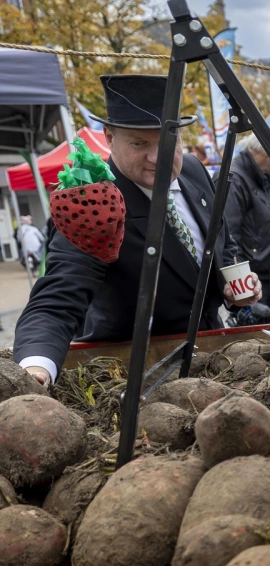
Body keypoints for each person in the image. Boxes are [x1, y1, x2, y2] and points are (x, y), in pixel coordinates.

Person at [14, 74, 257, 386]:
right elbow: (58, 298)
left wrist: (232, 283)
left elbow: (221, 235)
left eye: (169, 141)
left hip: (212, 352)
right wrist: (36, 369)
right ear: (110, 138)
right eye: (140, 143)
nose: (158, 158)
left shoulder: (194, 171)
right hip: (134, 370)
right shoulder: (92, 201)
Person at [226, 131, 270, 323]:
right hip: (254, 283)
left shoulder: (261, 180)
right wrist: (244, 295)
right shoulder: (235, 179)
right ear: (266, 151)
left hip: (269, 280)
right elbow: (228, 238)